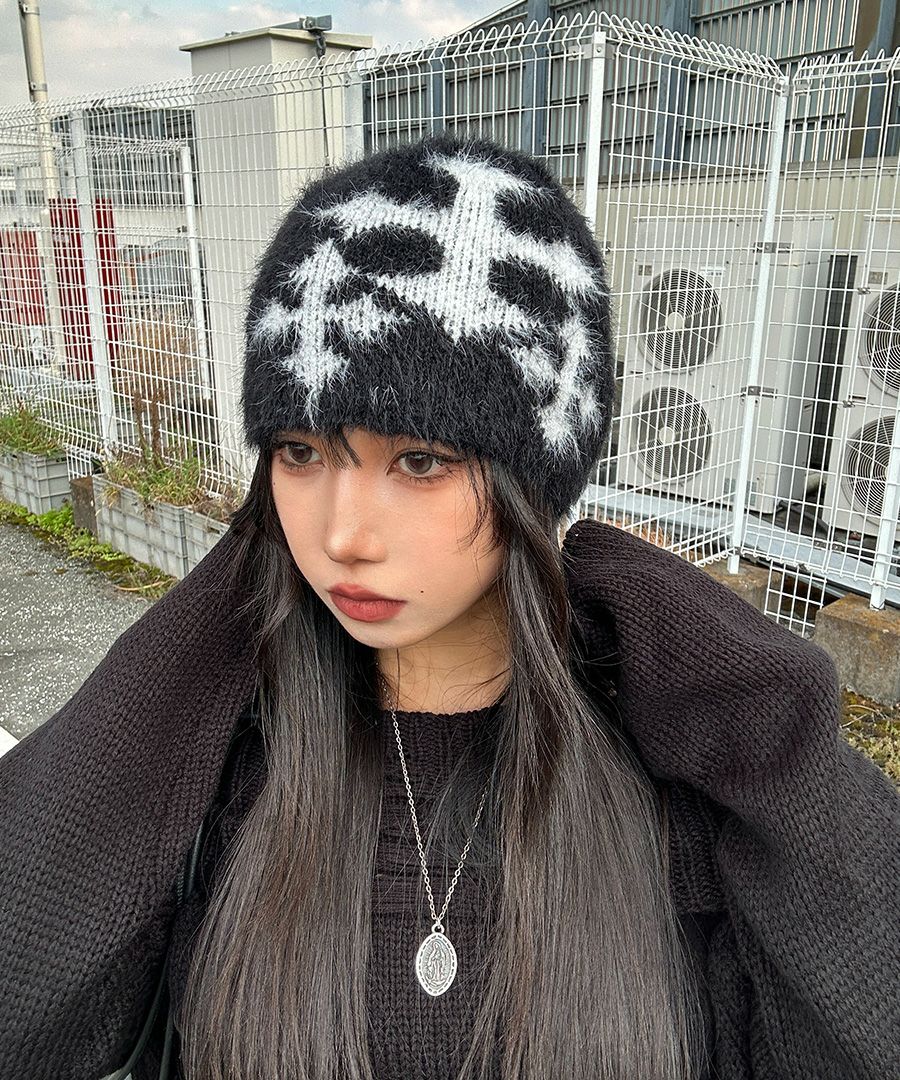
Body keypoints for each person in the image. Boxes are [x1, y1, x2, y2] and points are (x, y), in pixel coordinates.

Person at [1, 133, 898, 1080]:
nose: (342, 533)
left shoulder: (670, 795)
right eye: (300, 452)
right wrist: (215, 617)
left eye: (419, 460)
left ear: (533, 477)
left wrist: (767, 721)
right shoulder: (234, 770)